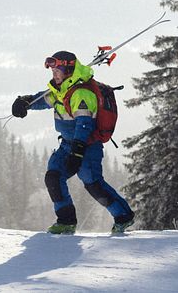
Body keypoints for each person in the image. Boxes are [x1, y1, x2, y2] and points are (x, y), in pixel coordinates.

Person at [11, 50, 135, 234]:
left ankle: (124, 216)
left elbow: (84, 124)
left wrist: (77, 153)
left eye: (57, 69)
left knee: (93, 183)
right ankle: (66, 221)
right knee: (53, 176)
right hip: (68, 144)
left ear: (68, 70)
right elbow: (43, 99)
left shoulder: (81, 93)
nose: (54, 73)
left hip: (86, 146)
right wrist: (26, 102)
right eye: (52, 69)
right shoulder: (60, 89)